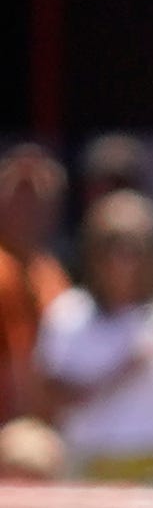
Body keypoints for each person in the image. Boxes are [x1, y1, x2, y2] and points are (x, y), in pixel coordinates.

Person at [33, 191, 153, 483]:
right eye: (112, 248)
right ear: (93, 253)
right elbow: (47, 397)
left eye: (136, 249)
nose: (123, 261)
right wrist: (117, 372)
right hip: (88, 466)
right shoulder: (69, 313)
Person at [0, 146, 70, 424]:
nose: (26, 206)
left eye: (37, 195)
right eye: (18, 193)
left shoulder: (52, 271)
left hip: (41, 426)